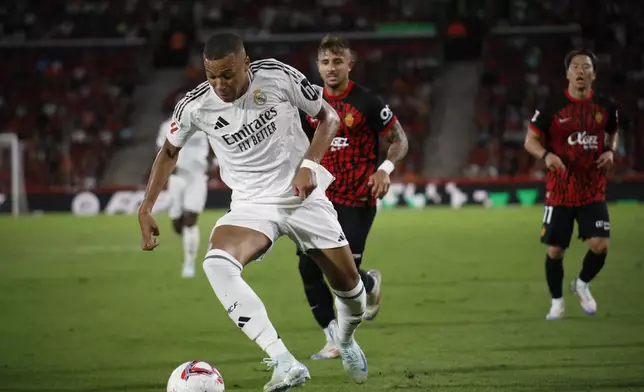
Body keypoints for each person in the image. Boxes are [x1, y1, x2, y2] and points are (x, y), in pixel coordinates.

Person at [138, 33, 369, 392]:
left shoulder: (277, 76)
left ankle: (348, 339)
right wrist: (146, 206)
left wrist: (310, 163)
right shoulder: (195, 106)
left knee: (352, 293)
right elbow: (169, 153)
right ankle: (283, 361)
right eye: (211, 76)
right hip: (251, 204)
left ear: (245, 64)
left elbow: (329, 118)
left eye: (227, 75)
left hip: (301, 196)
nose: (220, 85)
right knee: (216, 264)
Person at [297, 35, 408, 360]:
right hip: (319, 199)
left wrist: (385, 169)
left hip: (358, 198)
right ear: (318, 66)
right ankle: (333, 336)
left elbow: (399, 140)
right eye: (325, 62)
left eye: (337, 61)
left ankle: (368, 286)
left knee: (344, 276)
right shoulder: (309, 103)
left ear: (350, 65)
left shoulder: (368, 102)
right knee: (307, 268)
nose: (331, 68)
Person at [524, 49, 619, 320]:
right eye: (575, 67)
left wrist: (611, 150)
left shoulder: (605, 105)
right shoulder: (552, 105)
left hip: (592, 187)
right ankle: (557, 302)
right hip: (561, 189)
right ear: (567, 74)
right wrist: (546, 155)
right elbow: (530, 140)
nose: (581, 71)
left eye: (586, 67)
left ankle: (582, 283)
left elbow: (614, 130)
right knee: (555, 250)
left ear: (594, 74)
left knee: (600, 244)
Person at [156, 107, 212, 278]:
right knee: (177, 223)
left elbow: (216, 145)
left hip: (197, 177)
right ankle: (191, 241)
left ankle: (189, 265)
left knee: (190, 219)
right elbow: (161, 149)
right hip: (177, 178)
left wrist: (213, 163)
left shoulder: (206, 124)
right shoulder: (168, 126)